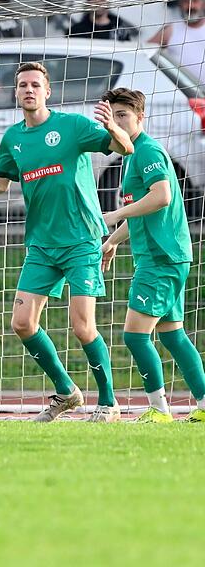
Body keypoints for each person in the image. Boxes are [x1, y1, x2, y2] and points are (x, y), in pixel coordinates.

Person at [0, 62, 134, 423]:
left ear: (48, 92)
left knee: (82, 325)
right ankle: (66, 392)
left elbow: (124, 149)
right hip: (42, 245)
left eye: (35, 85)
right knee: (22, 322)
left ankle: (108, 403)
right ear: (16, 94)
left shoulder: (72, 126)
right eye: (22, 85)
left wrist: (112, 128)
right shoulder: (13, 138)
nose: (29, 90)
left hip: (80, 239)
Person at [100, 88, 205, 423]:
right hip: (165, 256)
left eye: (123, 115)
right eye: (111, 116)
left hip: (160, 258)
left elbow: (161, 196)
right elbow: (142, 212)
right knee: (173, 335)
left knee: (134, 335)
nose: (116, 122)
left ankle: (159, 410)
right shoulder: (131, 154)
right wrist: (113, 240)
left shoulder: (146, 151)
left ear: (139, 118)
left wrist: (115, 215)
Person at [148, 0, 205, 85]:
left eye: (195, 1)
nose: (190, 6)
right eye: (186, 2)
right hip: (183, 91)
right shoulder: (171, 29)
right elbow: (144, 50)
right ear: (180, 5)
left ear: (203, 4)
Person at [67, 0, 137, 41]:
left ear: (109, 1)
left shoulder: (120, 32)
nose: (98, 2)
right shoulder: (75, 31)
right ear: (88, 1)